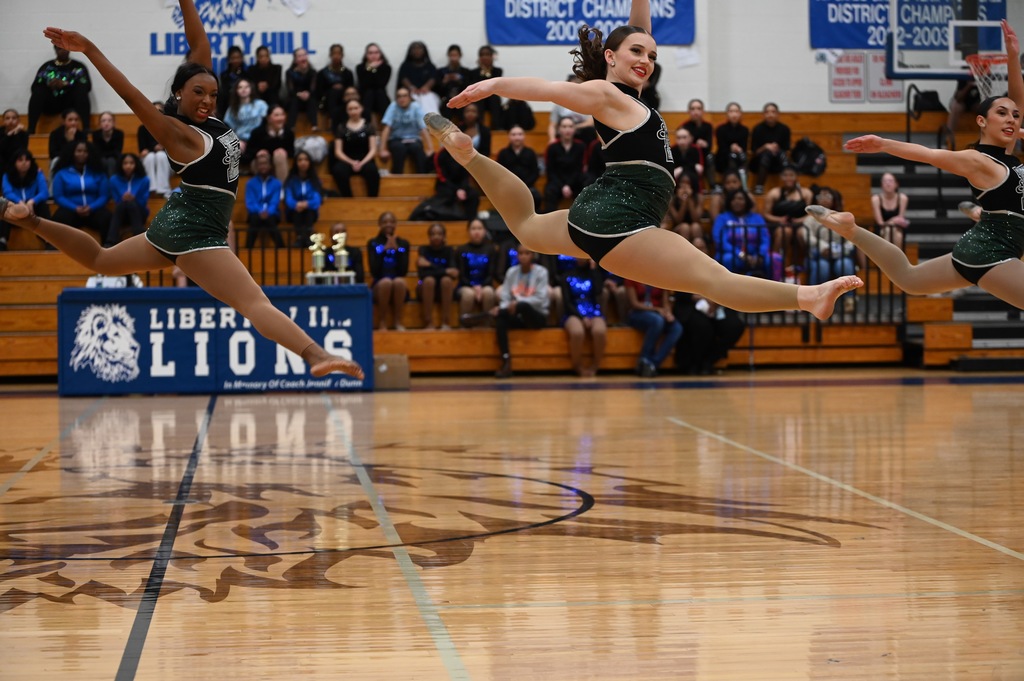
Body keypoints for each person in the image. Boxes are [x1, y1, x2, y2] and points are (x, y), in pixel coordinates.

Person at [429, 0, 859, 322]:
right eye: (637, 52)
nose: (646, 61)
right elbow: (550, 90)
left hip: (602, 212)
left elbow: (639, 30)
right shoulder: (605, 94)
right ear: (610, 57)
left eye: (652, 56)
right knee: (714, 281)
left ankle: (470, 156)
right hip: (621, 220)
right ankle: (809, 297)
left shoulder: (629, 100)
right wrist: (493, 85)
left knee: (526, 227)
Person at [0, 2, 362, 379]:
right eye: (198, 93)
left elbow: (199, 43)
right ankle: (316, 355)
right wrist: (90, 50)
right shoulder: (177, 134)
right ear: (178, 94)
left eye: (213, 94)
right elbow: (131, 96)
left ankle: (29, 219)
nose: (207, 100)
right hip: (196, 234)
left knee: (101, 260)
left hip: (180, 219)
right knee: (254, 302)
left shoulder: (205, 115)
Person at [807, 19, 1024, 311]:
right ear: (981, 121)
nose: (1012, 119)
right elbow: (928, 154)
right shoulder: (978, 160)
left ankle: (851, 229)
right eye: (1002, 113)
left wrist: (1013, 56)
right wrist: (884, 144)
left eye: (1015, 116)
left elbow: (1018, 100)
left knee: (909, 279)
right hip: (992, 253)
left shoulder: (1006, 154)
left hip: (989, 243)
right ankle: (978, 214)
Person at [492, 243, 549, 378]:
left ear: (533, 255)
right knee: (501, 321)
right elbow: (505, 296)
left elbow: (540, 299)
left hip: (536, 315)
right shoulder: (511, 272)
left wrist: (516, 303)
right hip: (517, 315)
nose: (523, 256)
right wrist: (505, 307)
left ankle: (493, 313)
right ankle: (506, 361)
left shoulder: (541, 272)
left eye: (527, 253)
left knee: (522, 306)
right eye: (520, 253)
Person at [804, 186, 857, 313]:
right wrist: (823, 247)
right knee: (822, 267)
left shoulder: (840, 217)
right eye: (821, 196)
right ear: (816, 199)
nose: (824, 199)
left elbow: (851, 237)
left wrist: (843, 249)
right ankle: (815, 301)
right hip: (819, 254)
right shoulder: (810, 219)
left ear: (833, 199)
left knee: (845, 264)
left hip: (840, 254)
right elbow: (807, 236)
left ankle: (849, 300)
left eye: (827, 196)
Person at [672, 292, 745, 375]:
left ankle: (709, 361)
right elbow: (681, 294)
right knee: (702, 326)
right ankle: (693, 363)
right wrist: (706, 299)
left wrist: (716, 302)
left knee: (735, 326)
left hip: (718, 305)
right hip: (691, 305)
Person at [50, 140, 111, 236]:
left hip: (93, 210)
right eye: (79, 151)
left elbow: (104, 196)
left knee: (107, 217)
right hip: (71, 210)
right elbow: (58, 196)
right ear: (72, 153)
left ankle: (109, 244)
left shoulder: (98, 173)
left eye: (85, 151)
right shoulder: (61, 174)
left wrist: (91, 207)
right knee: (59, 218)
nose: (82, 154)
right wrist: (75, 208)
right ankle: (54, 245)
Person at [712, 188, 776, 279]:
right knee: (728, 259)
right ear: (729, 202)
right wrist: (741, 254)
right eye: (733, 199)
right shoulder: (722, 218)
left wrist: (760, 254)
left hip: (755, 254)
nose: (737, 202)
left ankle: (773, 286)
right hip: (733, 254)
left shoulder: (757, 218)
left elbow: (765, 238)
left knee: (773, 259)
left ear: (746, 201)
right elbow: (720, 241)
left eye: (740, 199)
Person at [27, 43, 92, 134]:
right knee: (38, 92)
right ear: (56, 50)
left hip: (71, 103)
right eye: (60, 49)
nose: (63, 51)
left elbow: (87, 86)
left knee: (80, 91)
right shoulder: (47, 66)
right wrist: (49, 84)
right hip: (51, 102)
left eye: (65, 49)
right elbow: (34, 87)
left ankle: (86, 128)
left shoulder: (78, 66)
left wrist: (66, 84)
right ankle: (31, 129)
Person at [624, 278, 682, 377]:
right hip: (637, 313)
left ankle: (653, 363)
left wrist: (668, 313)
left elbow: (665, 302)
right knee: (657, 321)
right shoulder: (631, 277)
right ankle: (644, 358)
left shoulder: (659, 276)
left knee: (676, 328)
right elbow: (634, 304)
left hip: (658, 314)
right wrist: (656, 309)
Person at [561, 258, 607, 376]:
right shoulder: (567, 275)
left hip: (593, 310)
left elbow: (598, 291)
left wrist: (594, 269)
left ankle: (596, 365)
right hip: (574, 312)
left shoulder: (593, 273)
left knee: (599, 331)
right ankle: (577, 365)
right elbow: (567, 302)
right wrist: (582, 317)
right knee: (577, 332)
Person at [366, 210, 410, 330]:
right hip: (379, 284)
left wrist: (398, 251)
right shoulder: (373, 243)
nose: (388, 224)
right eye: (385, 222)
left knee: (399, 282)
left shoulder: (403, 244)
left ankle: (398, 321)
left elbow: (403, 271)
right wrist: (383, 251)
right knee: (386, 282)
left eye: (391, 222)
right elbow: (374, 271)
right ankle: (382, 321)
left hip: (397, 285)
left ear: (395, 224)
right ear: (379, 224)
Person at [1, 149, 50, 251]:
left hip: (33, 208)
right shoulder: (7, 175)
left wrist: (32, 201)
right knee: (3, 208)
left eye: (27, 160)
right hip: (14, 207)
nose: (24, 163)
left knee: (43, 206)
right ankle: (2, 242)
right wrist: (20, 203)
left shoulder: (38, 173)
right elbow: (7, 192)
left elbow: (44, 192)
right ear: (14, 162)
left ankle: (48, 241)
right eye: (20, 160)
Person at [331, 98, 380, 197]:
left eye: (356, 108)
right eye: (350, 109)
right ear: (347, 111)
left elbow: (373, 150)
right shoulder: (341, 127)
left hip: (365, 159)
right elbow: (338, 151)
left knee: (372, 170)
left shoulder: (369, 126)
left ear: (361, 109)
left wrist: (362, 163)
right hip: (347, 160)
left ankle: (372, 200)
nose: (353, 111)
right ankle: (348, 199)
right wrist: (352, 162)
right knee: (338, 170)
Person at [379, 87, 432, 174]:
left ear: (410, 97)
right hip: (396, 140)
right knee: (399, 148)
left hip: (414, 139)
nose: (402, 99)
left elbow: (423, 128)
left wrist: (430, 149)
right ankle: (397, 177)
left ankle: (422, 177)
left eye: (404, 96)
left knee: (417, 148)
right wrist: (382, 149)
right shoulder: (393, 106)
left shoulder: (416, 107)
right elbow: (387, 128)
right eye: (399, 96)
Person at [456, 216, 497, 326]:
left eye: (479, 228)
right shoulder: (461, 249)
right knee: (468, 295)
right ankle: (464, 325)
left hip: (485, 284)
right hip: (465, 285)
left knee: (488, 292)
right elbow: (462, 274)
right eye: (473, 229)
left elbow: (491, 273)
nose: (476, 232)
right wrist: (473, 286)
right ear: (468, 231)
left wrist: (481, 286)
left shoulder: (491, 249)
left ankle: (488, 326)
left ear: (485, 231)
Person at [417, 222, 459, 329]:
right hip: (426, 288)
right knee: (429, 280)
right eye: (433, 234)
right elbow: (422, 274)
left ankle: (446, 321)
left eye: (439, 234)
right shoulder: (423, 249)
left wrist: (429, 265)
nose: (436, 236)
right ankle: (428, 322)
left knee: (446, 280)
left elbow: (454, 274)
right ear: (429, 236)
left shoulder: (449, 250)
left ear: (444, 236)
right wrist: (445, 270)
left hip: (445, 289)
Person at [105, 152, 150, 246]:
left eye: (131, 163)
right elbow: (117, 201)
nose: (128, 166)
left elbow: (143, 202)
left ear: (136, 164)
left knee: (131, 204)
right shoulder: (114, 180)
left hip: (140, 212)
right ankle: (111, 242)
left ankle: (112, 241)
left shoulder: (144, 179)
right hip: (122, 213)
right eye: (125, 163)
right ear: (120, 165)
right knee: (122, 205)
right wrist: (124, 199)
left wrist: (134, 198)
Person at [543, 116, 586, 212]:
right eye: (564, 126)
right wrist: (563, 186)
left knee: (585, 189)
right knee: (550, 191)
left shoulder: (581, 146)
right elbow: (551, 171)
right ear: (559, 129)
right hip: (557, 182)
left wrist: (569, 185)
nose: (567, 130)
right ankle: (551, 220)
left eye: (570, 126)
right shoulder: (552, 147)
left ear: (574, 129)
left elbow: (579, 170)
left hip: (575, 182)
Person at [244, 150, 284, 249]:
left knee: (271, 220)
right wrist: (260, 211)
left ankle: (282, 249)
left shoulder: (276, 183)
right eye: (260, 164)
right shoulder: (250, 183)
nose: (263, 166)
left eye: (265, 163)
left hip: (272, 214)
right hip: (255, 213)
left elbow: (275, 202)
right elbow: (250, 202)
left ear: (270, 165)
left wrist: (268, 212)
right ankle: (248, 250)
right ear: (257, 166)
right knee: (254, 220)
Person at [283, 149, 323, 247]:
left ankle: (307, 238)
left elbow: (317, 199)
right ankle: (300, 237)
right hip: (294, 211)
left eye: (306, 159)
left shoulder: (315, 181)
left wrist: (306, 204)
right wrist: (296, 204)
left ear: (310, 163)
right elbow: (288, 199)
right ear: (296, 163)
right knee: (298, 212)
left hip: (310, 211)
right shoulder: (291, 181)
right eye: (300, 160)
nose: (303, 162)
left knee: (308, 212)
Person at [749, 102, 791, 195]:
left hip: (778, 159)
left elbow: (786, 149)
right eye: (767, 112)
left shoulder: (784, 129)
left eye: (773, 112)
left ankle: (789, 185)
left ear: (778, 114)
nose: (770, 115)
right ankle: (759, 186)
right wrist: (765, 147)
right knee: (766, 154)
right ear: (764, 114)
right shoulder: (757, 129)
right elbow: (754, 151)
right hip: (759, 162)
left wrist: (776, 148)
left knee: (783, 156)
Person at [244, 103, 294, 181]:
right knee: (262, 157)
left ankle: (282, 187)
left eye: (282, 115)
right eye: (276, 115)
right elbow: (247, 153)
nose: (280, 118)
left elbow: (292, 152)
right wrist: (257, 152)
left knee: (279, 155)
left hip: (280, 163)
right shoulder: (258, 132)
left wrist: (285, 152)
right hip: (260, 163)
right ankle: (262, 186)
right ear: (268, 118)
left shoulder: (288, 133)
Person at [496, 124, 541, 210]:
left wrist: (524, 186)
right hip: (509, 187)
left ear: (524, 136)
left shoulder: (530, 153)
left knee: (537, 197)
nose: (517, 137)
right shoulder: (503, 153)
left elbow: (535, 172)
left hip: (528, 187)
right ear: (509, 136)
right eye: (514, 134)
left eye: (520, 134)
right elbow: (499, 173)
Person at [223, 78, 268, 163]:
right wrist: (236, 141)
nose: (243, 89)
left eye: (246, 87)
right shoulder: (232, 108)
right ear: (236, 90)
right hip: (241, 141)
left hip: (259, 140)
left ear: (251, 89)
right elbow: (228, 129)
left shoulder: (261, 105)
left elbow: (267, 124)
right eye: (240, 87)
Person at [137, 101, 173, 198]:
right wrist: (154, 148)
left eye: (160, 111)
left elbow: (174, 149)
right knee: (150, 156)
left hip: (166, 160)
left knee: (160, 155)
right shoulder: (142, 128)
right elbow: (143, 151)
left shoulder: (169, 128)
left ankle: (163, 189)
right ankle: (150, 188)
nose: (156, 113)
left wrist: (163, 148)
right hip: (149, 159)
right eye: (154, 110)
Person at [318, 43, 355, 131]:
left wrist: (342, 88)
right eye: (334, 53)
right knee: (333, 93)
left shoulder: (347, 73)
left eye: (338, 53)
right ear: (330, 55)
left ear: (342, 55)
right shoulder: (323, 73)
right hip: (327, 100)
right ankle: (333, 123)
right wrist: (332, 88)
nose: (336, 56)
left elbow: (351, 88)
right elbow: (319, 90)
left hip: (344, 99)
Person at [870, 171, 910, 251]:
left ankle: (896, 257)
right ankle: (888, 256)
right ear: (881, 185)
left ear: (896, 184)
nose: (888, 184)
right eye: (885, 181)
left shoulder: (902, 198)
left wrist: (894, 222)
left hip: (897, 229)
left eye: (890, 181)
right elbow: (880, 222)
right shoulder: (876, 199)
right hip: (882, 230)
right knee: (888, 230)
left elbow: (900, 220)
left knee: (896, 233)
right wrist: (893, 220)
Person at [398, 40, 439, 116]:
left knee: (427, 98)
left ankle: (433, 121)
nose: (417, 51)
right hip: (410, 93)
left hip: (427, 93)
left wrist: (426, 87)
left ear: (424, 51)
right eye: (414, 49)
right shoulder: (405, 66)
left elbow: (433, 79)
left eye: (419, 48)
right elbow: (403, 79)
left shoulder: (430, 66)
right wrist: (411, 88)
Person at [468, 45, 504, 129]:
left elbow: (495, 84)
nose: (484, 57)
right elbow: (475, 85)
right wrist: (482, 70)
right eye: (482, 55)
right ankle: (480, 127)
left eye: (487, 54)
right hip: (480, 97)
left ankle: (496, 126)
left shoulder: (498, 71)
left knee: (494, 99)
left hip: (492, 97)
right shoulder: (474, 72)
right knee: (478, 100)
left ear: (492, 57)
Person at [357, 43, 392, 128]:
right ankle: (366, 126)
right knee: (369, 93)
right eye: (370, 53)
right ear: (366, 55)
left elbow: (381, 84)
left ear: (380, 54)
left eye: (376, 52)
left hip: (380, 97)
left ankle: (386, 126)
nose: (373, 55)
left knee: (379, 92)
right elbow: (365, 84)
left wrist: (373, 70)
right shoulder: (360, 67)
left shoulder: (386, 67)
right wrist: (370, 68)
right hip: (365, 97)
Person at [284, 47, 319, 131]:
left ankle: (314, 126)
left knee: (312, 100)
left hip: (308, 98)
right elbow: (290, 89)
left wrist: (308, 94)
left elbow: (313, 89)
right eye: (300, 56)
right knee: (294, 101)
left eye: (304, 55)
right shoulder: (290, 72)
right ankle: (291, 127)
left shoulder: (313, 72)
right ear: (295, 60)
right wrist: (299, 94)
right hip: (295, 97)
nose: (303, 58)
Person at [47, 108, 87, 172]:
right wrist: (69, 142)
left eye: (76, 120)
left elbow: (83, 151)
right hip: (60, 160)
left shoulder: (82, 135)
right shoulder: (55, 134)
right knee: (55, 160)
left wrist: (71, 141)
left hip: (77, 160)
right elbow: (53, 154)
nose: (73, 123)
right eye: (70, 120)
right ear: (63, 121)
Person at [216, 45, 247, 118]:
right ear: (229, 59)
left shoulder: (246, 75)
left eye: (238, 58)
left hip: (243, 107)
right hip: (226, 108)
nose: (236, 60)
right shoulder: (224, 75)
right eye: (233, 58)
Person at [91, 111, 123, 176]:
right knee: (102, 161)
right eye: (103, 121)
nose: (106, 123)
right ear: (100, 123)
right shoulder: (96, 134)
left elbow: (117, 151)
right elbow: (97, 152)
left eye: (109, 121)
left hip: (114, 159)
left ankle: (111, 180)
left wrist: (107, 155)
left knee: (111, 161)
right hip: (101, 158)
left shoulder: (119, 133)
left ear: (113, 123)